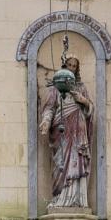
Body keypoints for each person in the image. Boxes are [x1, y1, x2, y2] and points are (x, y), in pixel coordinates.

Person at [39, 55, 94, 209]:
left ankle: (77, 199)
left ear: (77, 69)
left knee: (78, 159)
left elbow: (90, 110)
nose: (71, 67)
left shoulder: (81, 88)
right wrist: (45, 121)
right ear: (64, 66)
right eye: (68, 64)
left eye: (74, 66)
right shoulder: (54, 88)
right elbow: (49, 108)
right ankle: (60, 198)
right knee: (61, 162)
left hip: (78, 131)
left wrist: (83, 101)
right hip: (62, 132)